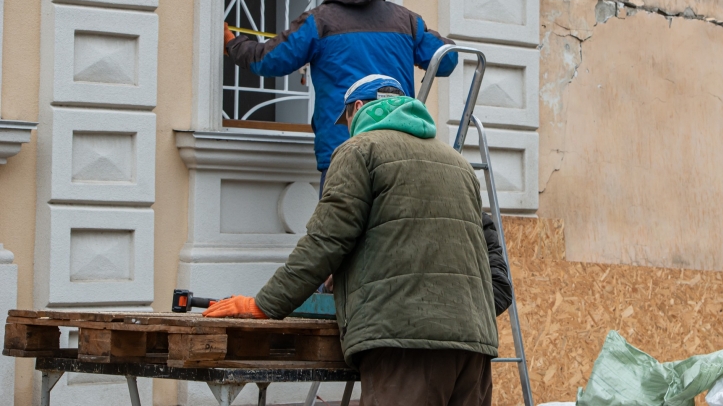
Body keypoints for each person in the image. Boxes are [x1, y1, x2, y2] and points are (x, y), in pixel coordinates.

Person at [204, 75, 507, 406]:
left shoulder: (360, 150)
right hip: (474, 350)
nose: (347, 127)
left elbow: (326, 240)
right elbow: (487, 269)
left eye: (346, 117)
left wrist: (263, 305)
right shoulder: (458, 163)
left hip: (404, 349)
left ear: (358, 108)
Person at [224, 0, 458, 193]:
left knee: (339, 231)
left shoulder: (319, 21)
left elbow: (268, 60)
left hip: (343, 154)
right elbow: (448, 59)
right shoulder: (407, 21)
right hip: (399, 152)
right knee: (391, 231)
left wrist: (232, 44)